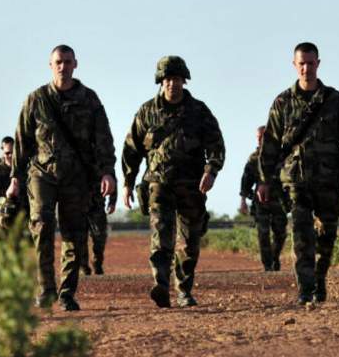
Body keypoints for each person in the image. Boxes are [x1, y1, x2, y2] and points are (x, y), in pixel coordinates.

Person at [8, 45, 117, 311]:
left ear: (75, 64)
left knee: (74, 234)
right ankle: (45, 289)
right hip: (42, 174)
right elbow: (21, 141)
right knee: (42, 226)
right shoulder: (36, 99)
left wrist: (107, 172)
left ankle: (67, 292)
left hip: (76, 177)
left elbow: (103, 139)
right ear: (50, 65)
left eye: (67, 62)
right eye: (58, 62)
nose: (63, 66)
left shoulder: (89, 100)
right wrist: (15, 178)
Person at [257, 42, 339, 304]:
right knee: (302, 234)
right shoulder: (282, 102)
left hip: (330, 178)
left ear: (318, 63)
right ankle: (305, 289)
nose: (306, 68)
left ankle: (319, 281)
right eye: (301, 63)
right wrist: (264, 180)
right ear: (294, 65)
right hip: (297, 180)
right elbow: (270, 143)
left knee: (326, 235)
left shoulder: (336, 101)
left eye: (311, 62)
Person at [122, 55, 225, 308]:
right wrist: (127, 182)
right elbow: (131, 149)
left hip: (192, 186)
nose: (172, 84)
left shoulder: (199, 112)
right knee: (161, 237)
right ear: (160, 82)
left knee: (189, 241)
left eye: (177, 79)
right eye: (168, 79)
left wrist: (211, 171)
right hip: (159, 185)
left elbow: (216, 145)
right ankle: (162, 285)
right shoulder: (147, 112)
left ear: (184, 81)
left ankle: (184, 290)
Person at [239, 125, 288, 271]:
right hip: (261, 202)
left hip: (279, 200)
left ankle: (274, 257)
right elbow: (246, 180)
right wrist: (243, 200)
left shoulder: (282, 156)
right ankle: (268, 265)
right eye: (258, 137)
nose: (261, 140)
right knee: (263, 233)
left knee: (280, 233)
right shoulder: (254, 158)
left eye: (263, 136)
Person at [81, 183, 111, 276]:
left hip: (97, 206)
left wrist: (113, 201)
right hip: (78, 205)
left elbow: (109, 174)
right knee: (80, 238)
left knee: (100, 237)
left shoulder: (100, 168)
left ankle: (97, 264)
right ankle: (84, 267)